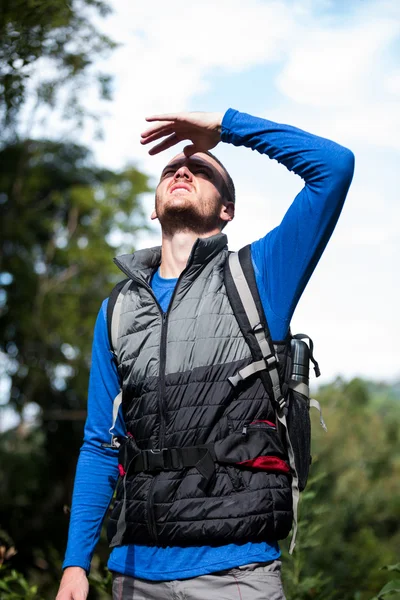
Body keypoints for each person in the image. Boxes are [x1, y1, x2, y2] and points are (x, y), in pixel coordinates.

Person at [56, 109, 354, 600]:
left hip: (236, 573)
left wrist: (225, 128)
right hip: (134, 575)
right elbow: (99, 446)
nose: (183, 169)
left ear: (226, 210)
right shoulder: (116, 310)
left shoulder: (259, 277)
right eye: (172, 168)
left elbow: (334, 167)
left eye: (203, 168)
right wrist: (74, 565)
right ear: (154, 208)